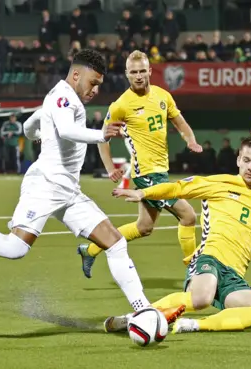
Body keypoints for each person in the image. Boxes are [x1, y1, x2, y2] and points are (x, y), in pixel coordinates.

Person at [0, 49, 185, 322]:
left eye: (99, 85)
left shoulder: (58, 98)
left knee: (114, 242)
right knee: (15, 248)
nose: (95, 90)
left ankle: (144, 310)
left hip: (67, 190)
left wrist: (40, 132)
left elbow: (28, 127)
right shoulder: (64, 97)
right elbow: (66, 130)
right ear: (76, 74)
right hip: (45, 185)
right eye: (93, 83)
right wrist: (99, 133)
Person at [104, 136, 251, 334]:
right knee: (201, 299)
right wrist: (144, 193)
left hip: (233, 277)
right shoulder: (219, 184)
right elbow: (179, 188)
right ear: (238, 160)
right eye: (247, 160)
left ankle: (190, 325)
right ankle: (134, 318)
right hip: (208, 259)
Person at [77, 50, 202, 278]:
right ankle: (193, 269)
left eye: (142, 71)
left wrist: (191, 139)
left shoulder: (163, 96)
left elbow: (179, 121)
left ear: (150, 71)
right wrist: (109, 168)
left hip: (159, 171)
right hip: (147, 174)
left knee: (144, 227)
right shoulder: (121, 105)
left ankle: (91, 249)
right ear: (126, 74)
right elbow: (103, 137)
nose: (138, 76)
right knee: (189, 216)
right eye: (133, 72)